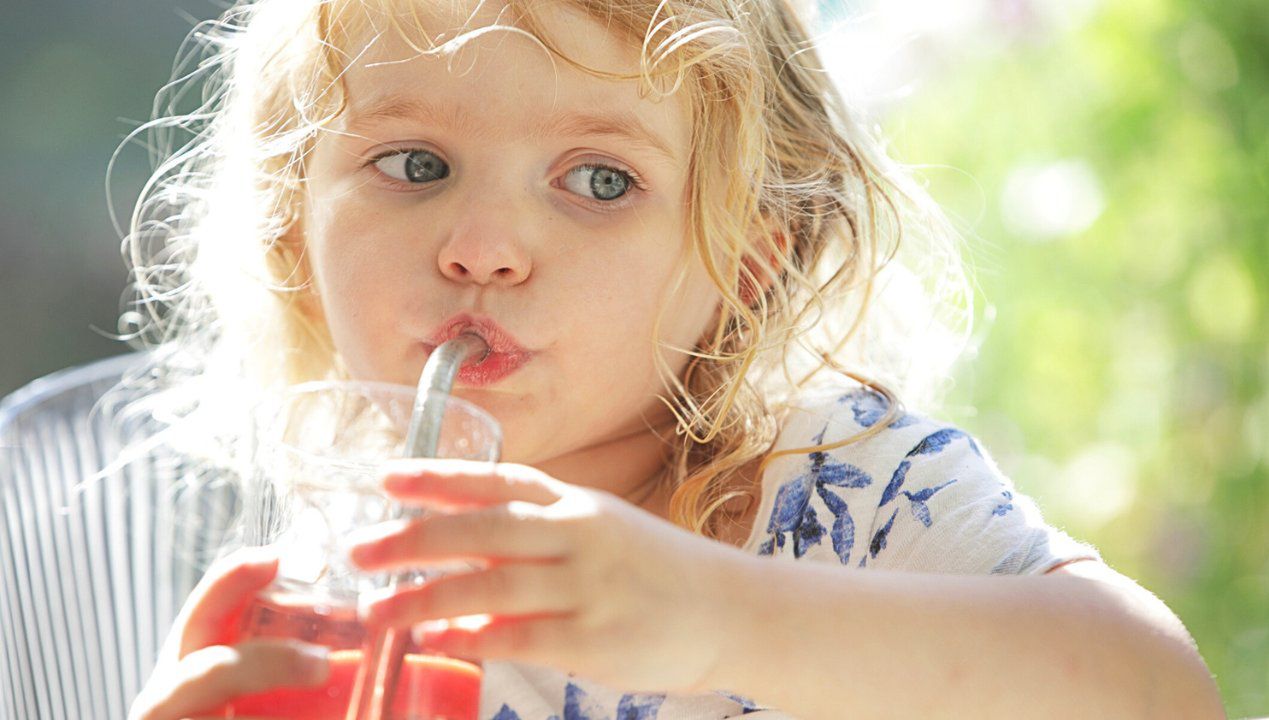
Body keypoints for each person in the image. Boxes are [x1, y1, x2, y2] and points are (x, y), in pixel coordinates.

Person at [121, 0, 1224, 718]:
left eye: (600, 181)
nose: (485, 250)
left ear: (746, 258)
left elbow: (1160, 691)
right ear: (290, 227)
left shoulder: (840, 484)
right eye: (414, 163)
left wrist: (726, 615)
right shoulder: (348, 550)